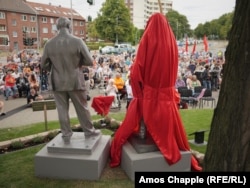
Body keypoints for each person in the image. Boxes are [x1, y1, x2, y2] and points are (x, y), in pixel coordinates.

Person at [41, 17, 100, 144]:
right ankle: (89, 131)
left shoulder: (49, 44)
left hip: (57, 81)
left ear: (57, 27)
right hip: (75, 80)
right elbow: (89, 61)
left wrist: (54, 67)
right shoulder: (77, 41)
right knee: (82, 108)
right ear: (69, 26)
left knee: (61, 109)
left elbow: (43, 64)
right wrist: (77, 64)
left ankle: (66, 133)